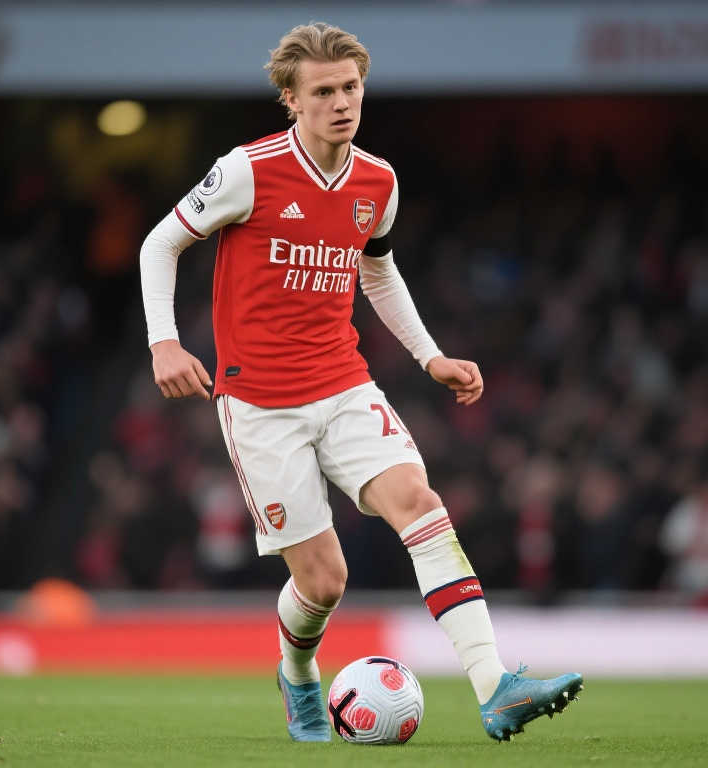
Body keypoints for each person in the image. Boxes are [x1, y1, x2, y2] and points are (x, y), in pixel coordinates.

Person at [138, 22, 581, 742]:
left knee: (420, 503)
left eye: (351, 87)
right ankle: (297, 673)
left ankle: (495, 686)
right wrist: (165, 343)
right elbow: (161, 242)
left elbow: (378, 270)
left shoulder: (378, 182)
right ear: (291, 100)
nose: (342, 103)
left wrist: (430, 357)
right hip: (260, 405)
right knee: (324, 582)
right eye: (323, 92)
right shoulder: (249, 170)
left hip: (344, 384)